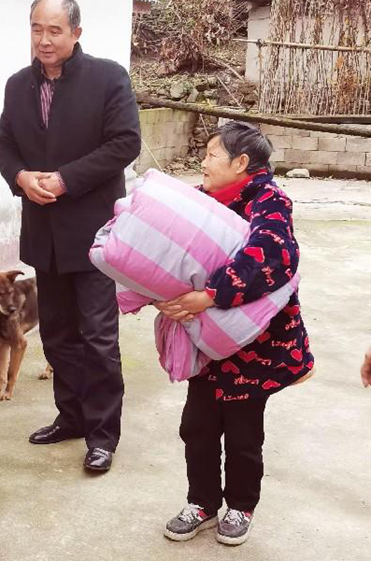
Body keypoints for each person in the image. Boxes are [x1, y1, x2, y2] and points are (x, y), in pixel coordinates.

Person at [0, 0, 141, 473]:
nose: (44, 40)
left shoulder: (107, 78)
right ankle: (71, 416)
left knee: (98, 338)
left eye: (54, 30)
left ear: (76, 33)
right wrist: (20, 177)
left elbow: (125, 143)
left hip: (94, 234)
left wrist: (65, 179)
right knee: (57, 335)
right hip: (44, 233)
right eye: (37, 29)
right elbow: (5, 145)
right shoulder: (18, 85)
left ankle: (102, 434)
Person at [157, 122, 314, 546]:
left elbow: (271, 257)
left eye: (212, 155)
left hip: (254, 345)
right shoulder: (202, 199)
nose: (203, 163)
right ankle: (202, 502)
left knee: (244, 435)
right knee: (197, 426)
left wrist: (209, 295)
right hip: (208, 342)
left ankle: (241, 506)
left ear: (241, 162)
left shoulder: (270, 201)